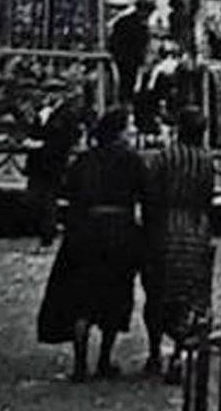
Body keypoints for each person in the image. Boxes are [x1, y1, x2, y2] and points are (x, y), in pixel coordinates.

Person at [35, 108, 147, 381]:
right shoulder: (132, 160)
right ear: (120, 131)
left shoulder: (85, 160)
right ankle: (104, 360)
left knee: (82, 299)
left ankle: (80, 363)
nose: (132, 132)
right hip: (119, 232)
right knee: (114, 296)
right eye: (129, 127)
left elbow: (68, 190)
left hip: (85, 232)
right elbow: (146, 192)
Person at [139, 107, 216, 381]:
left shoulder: (164, 158)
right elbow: (208, 196)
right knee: (191, 294)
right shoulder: (206, 161)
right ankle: (180, 352)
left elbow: (150, 195)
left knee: (157, 292)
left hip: (164, 229)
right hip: (196, 229)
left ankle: (154, 352)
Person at [25, 84, 88, 246]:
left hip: (53, 163)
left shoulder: (67, 114)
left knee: (48, 199)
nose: (50, 96)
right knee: (36, 198)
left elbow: (65, 139)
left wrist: (43, 145)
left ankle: (47, 235)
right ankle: (41, 231)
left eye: (53, 92)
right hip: (38, 163)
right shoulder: (44, 112)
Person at [107, 0, 153, 105]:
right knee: (127, 82)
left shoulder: (126, 21)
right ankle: (126, 103)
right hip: (127, 58)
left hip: (126, 58)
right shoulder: (134, 24)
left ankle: (126, 102)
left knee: (127, 82)